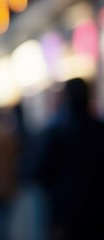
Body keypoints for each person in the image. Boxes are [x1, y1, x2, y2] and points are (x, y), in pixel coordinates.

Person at [35, 78, 104, 240]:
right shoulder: (99, 129)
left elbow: (43, 172)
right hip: (97, 208)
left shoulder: (56, 131)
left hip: (65, 209)